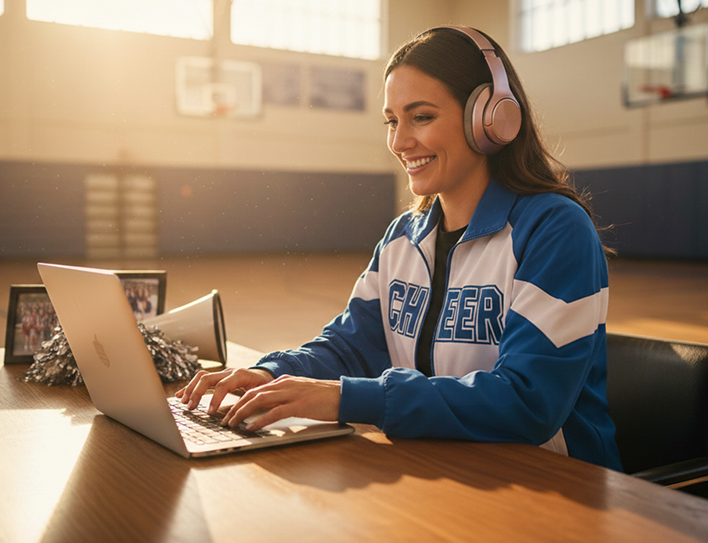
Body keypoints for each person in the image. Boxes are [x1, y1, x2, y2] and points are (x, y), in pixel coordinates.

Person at [177, 25, 623, 470]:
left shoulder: (554, 228)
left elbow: (528, 402)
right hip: (447, 470)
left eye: (422, 117)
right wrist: (270, 374)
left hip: (559, 487)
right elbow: (350, 348)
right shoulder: (402, 237)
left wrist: (347, 398)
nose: (399, 141)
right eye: (392, 121)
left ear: (491, 118)